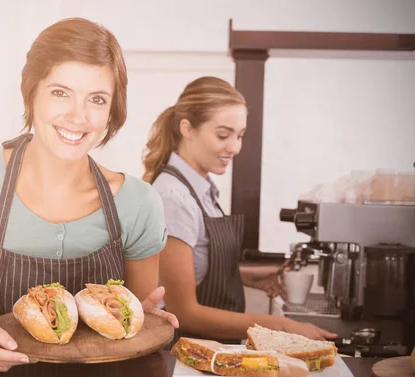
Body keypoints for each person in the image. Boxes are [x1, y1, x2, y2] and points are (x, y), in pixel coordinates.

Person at [0, 17, 178, 372]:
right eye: (60, 92)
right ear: (30, 92)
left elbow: (136, 325)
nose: (77, 117)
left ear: (112, 111)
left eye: (96, 99)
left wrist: (147, 318)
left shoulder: (138, 203)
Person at [143, 76, 336, 342]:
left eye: (240, 135)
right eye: (223, 135)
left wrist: (242, 276)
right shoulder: (174, 197)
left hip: (207, 347)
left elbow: (193, 268)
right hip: (181, 351)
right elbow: (183, 312)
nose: (234, 147)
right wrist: (282, 326)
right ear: (187, 128)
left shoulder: (200, 189)